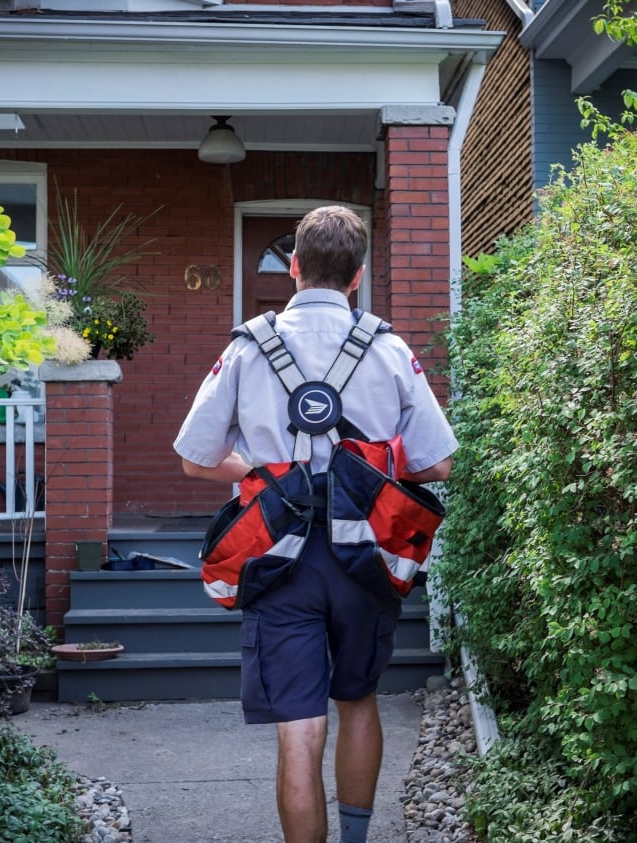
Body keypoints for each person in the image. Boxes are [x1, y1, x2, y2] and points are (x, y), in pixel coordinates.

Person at [173, 205, 457, 843]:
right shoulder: (388, 348)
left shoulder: (247, 348)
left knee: (299, 727)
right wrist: (374, 465)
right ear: (357, 277)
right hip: (368, 559)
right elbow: (438, 463)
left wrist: (256, 471)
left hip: (277, 559)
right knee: (357, 699)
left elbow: (194, 459)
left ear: (293, 266)